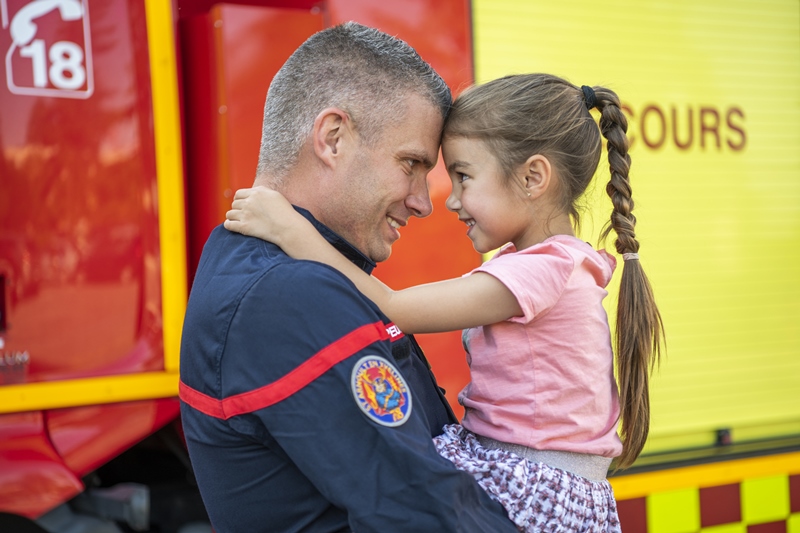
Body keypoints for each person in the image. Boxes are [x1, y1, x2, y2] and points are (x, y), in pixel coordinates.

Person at [224, 73, 665, 532]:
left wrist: (290, 230)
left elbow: (391, 308)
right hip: (535, 474)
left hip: (532, 485)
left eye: (464, 177)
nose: (449, 201)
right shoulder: (549, 264)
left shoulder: (542, 271)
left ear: (533, 177)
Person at [178, 21, 520, 533]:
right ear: (332, 138)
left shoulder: (254, 265)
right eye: (411, 164)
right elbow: (425, 512)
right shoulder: (287, 296)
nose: (424, 203)